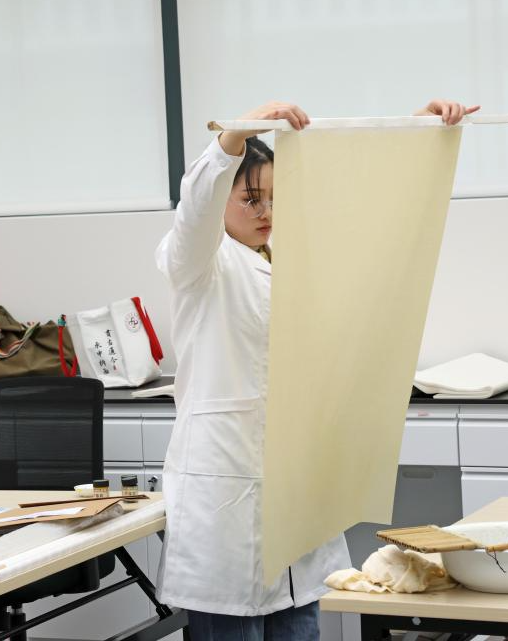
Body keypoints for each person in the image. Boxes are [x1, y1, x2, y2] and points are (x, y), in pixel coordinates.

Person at [155, 99, 479, 641]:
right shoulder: (198, 265)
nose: (266, 210)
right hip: (225, 493)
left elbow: (366, 216)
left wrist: (420, 132)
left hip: (296, 496)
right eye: (250, 198)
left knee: (301, 621)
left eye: (274, 198)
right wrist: (234, 136)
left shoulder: (291, 259)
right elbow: (195, 211)